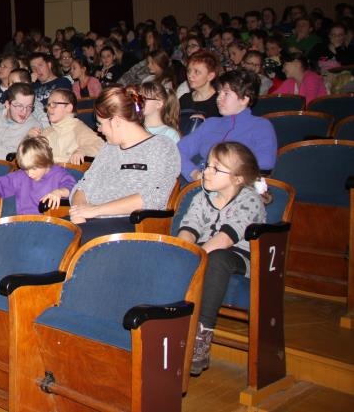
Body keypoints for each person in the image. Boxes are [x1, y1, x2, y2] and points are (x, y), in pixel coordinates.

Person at [177, 142, 266, 376]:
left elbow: (226, 238)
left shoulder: (250, 200)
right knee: (173, 254)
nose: (206, 171)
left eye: (216, 168)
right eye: (207, 165)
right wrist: (181, 252)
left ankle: (201, 335)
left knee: (217, 258)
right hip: (205, 250)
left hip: (239, 258)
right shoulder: (201, 197)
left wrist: (194, 258)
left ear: (238, 178)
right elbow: (189, 229)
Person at [69, 86, 180, 243]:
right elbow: (84, 185)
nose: (99, 129)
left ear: (117, 121)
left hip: (130, 223)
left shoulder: (162, 147)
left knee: (59, 242)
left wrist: (95, 210)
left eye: (100, 123)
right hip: (89, 219)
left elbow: (155, 196)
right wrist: (78, 211)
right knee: (45, 235)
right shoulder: (108, 148)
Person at [178, 70, 277, 182]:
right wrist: (193, 172)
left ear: (244, 99)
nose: (218, 98)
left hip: (238, 185)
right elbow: (179, 150)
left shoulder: (261, 126)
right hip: (201, 182)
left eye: (226, 93)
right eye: (219, 92)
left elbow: (266, 161)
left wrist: (222, 169)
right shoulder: (211, 124)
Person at [0, 136, 76, 215]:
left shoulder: (58, 174)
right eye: (26, 169)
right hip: (23, 221)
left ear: (46, 162)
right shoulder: (21, 176)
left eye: (34, 168)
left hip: (51, 223)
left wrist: (59, 192)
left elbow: (72, 187)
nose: (30, 174)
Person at [29, 88, 103, 164]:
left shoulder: (77, 128)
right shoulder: (47, 131)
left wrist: (82, 150)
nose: (48, 108)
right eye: (48, 105)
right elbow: (30, 156)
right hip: (47, 168)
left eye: (54, 104)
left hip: (68, 169)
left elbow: (99, 145)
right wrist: (30, 140)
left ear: (69, 108)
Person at [178, 50, 221, 119]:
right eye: (189, 71)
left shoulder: (219, 102)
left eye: (197, 72)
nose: (190, 75)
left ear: (210, 76)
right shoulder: (184, 99)